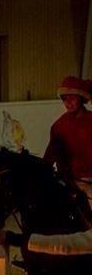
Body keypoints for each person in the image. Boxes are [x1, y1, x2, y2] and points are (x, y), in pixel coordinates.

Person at [44, 75, 92, 204]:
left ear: (81, 98)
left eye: (72, 98)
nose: (67, 102)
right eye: (64, 99)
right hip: (71, 183)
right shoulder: (58, 126)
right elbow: (49, 158)